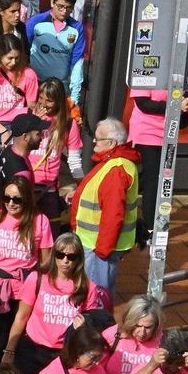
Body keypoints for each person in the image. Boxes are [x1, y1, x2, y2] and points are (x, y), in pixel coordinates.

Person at [66, 118, 140, 297]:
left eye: (98, 139)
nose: (93, 142)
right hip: (95, 245)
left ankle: (97, 325)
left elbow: (113, 215)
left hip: (97, 248)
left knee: (95, 297)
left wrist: (102, 250)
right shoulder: (112, 162)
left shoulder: (116, 169)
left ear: (111, 143)